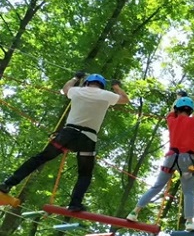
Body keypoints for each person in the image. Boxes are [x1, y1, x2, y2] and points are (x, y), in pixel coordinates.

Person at [0, 72, 129, 211]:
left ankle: (8, 183)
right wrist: (116, 86)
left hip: (67, 135)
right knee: (85, 173)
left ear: (86, 82)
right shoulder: (107, 95)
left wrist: (75, 78)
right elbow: (125, 99)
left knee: (40, 158)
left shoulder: (76, 91)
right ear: (102, 85)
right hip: (87, 138)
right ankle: (75, 204)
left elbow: (64, 89)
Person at [127, 92, 194, 231]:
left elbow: (172, 110)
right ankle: (189, 222)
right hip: (187, 160)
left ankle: (134, 212)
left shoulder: (171, 120)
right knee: (188, 192)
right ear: (190, 110)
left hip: (170, 158)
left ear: (177, 109)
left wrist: (178, 97)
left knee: (156, 187)